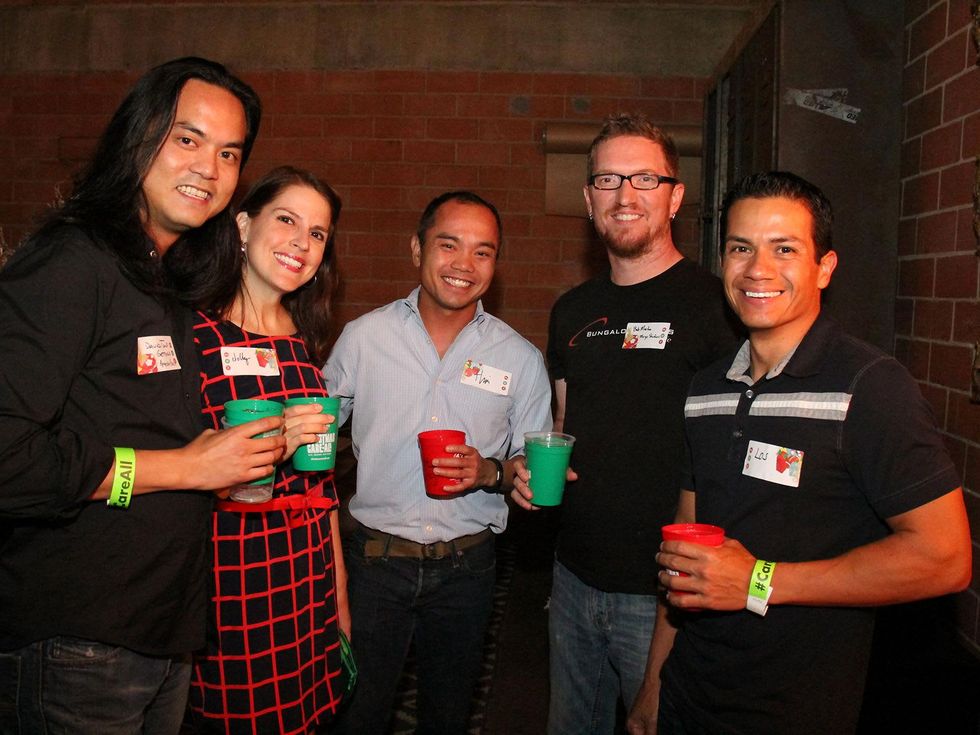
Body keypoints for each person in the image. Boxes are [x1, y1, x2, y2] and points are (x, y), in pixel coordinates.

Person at [627, 171, 972, 735]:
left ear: (824, 267)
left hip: (794, 711)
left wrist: (759, 580)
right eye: (741, 248)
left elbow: (946, 559)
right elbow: (685, 547)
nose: (758, 269)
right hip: (690, 696)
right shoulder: (706, 389)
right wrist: (653, 684)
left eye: (784, 248)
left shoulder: (870, 386)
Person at [0, 57, 282, 734]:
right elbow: (9, 458)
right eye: (187, 139)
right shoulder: (74, 261)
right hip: (77, 642)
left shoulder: (164, 279)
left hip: (156, 634)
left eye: (228, 153)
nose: (209, 169)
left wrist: (212, 460)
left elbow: (124, 438)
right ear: (138, 135)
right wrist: (188, 467)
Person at [509, 113, 739, 734]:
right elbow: (563, 426)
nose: (625, 195)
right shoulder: (572, 311)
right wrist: (528, 474)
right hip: (574, 578)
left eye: (644, 177)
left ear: (676, 196)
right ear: (588, 199)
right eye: (608, 180)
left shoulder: (719, 309)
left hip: (667, 598)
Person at [324, 190, 552, 734]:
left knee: (448, 718)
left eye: (482, 252)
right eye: (449, 245)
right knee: (358, 713)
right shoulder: (363, 339)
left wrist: (492, 471)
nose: (463, 265)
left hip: (467, 570)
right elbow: (318, 430)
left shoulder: (519, 358)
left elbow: (529, 458)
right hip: (375, 564)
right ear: (417, 249)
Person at [187, 166, 349, 733]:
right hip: (228, 572)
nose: (301, 243)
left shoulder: (304, 342)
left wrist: (340, 607)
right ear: (242, 224)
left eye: (318, 233)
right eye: (287, 220)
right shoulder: (193, 332)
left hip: (305, 575)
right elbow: (173, 461)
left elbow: (322, 491)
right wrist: (274, 442)